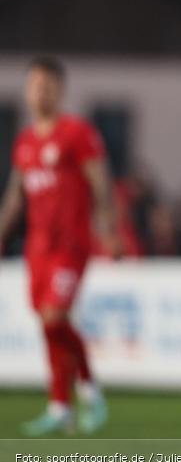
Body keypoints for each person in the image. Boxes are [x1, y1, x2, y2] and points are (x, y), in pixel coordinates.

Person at [0, 56, 120, 436]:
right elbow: (15, 197)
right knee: (50, 325)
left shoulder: (76, 133)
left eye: (48, 86)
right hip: (37, 246)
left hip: (71, 243)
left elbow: (101, 182)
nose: (41, 93)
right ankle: (60, 408)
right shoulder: (25, 141)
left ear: (61, 90)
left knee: (54, 316)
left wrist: (109, 230)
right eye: (35, 86)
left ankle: (90, 389)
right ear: (27, 91)